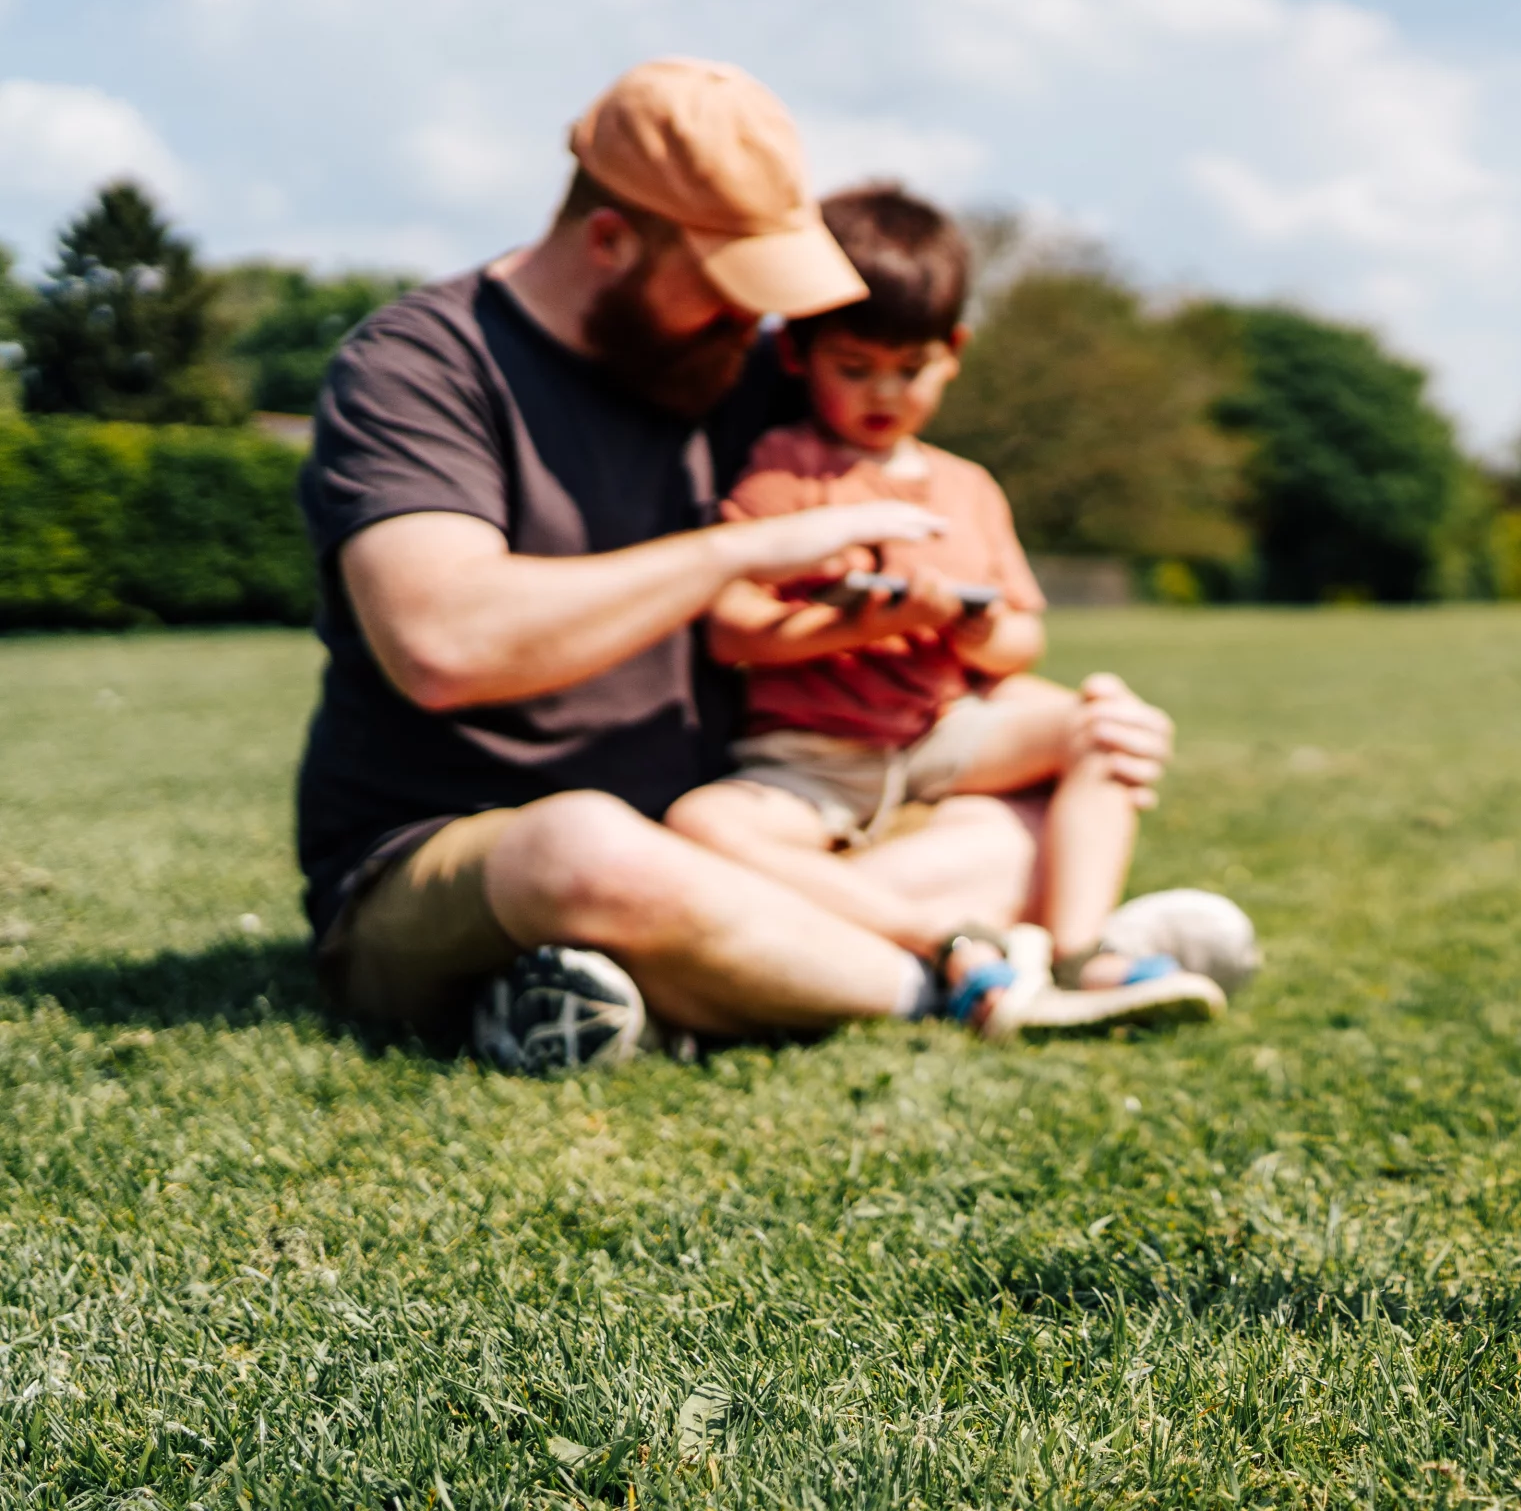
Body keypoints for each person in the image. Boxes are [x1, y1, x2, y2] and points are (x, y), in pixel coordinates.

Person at [293, 57, 1185, 1072]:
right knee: (587, 851)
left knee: (1032, 799)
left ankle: (703, 978)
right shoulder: (420, 369)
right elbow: (443, 642)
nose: (756, 328)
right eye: (729, 291)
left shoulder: (728, 363)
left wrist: (1058, 703)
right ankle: (944, 986)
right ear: (611, 241)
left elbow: (910, 558)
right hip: (472, 856)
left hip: (754, 830)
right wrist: (743, 550)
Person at [662, 183, 1248, 1036]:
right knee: (700, 824)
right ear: (798, 355)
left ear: (954, 352)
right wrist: (849, 626)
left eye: (912, 369)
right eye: (854, 368)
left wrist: (975, 630)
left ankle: (1081, 950)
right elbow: (729, 627)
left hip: (940, 734)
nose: (885, 393)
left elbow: (1021, 637)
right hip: (810, 757)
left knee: (1106, 726)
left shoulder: (968, 487)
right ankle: (949, 943)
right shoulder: (783, 472)